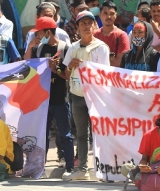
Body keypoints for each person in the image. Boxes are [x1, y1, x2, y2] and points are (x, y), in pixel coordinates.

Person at [62, 10, 109, 180]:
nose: (87, 26)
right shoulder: (73, 48)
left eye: (90, 23)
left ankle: (103, 169)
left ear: (95, 26)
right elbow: (66, 74)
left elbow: (105, 75)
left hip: (96, 97)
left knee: (99, 134)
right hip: (77, 96)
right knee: (81, 134)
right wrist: (71, 66)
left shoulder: (102, 48)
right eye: (83, 23)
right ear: (78, 27)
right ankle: (82, 169)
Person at [30, 16, 74, 177]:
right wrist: (30, 46)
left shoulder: (65, 48)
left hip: (60, 98)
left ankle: (70, 167)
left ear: (48, 32)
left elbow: (68, 76)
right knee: (43, 135)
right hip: (43, 99)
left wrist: (56, 69)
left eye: (40, 33)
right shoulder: (39, 49)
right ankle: (40, 167)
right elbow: (28, 67)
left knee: (66, 134)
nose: (38, 36)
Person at [93, 0, 130, 67]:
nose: (109, 17)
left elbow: (120, 62)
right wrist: (109, 59)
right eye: (105, 13)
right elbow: (89, 60)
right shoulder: (94, 35)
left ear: (116, 15)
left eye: (112, 14)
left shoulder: (121, 35)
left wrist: (99, 60)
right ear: (100, 14)